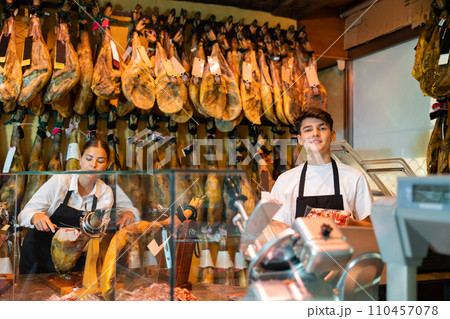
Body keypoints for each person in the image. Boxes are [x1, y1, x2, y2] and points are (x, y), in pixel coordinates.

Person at [18, 138, 136, 274]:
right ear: (80, 159)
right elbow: (24, 214)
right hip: (38, 256)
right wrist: (35, 216)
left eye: (100, 161)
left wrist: (77, 245)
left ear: (107, 165)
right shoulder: (61, 181)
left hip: (73, 260)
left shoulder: (105, 193)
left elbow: (97, 235)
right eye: (89, 158)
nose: (93, 165)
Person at [270, 108, 373, 227]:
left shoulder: (355, 177)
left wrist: (350, 224)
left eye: (322, 128)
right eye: (308, 130)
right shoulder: (285, 181)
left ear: (333, 135)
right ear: (300, 139)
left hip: (343, 245)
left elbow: (371, 227)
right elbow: (276, 227)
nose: (315, 133)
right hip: (301, 245)